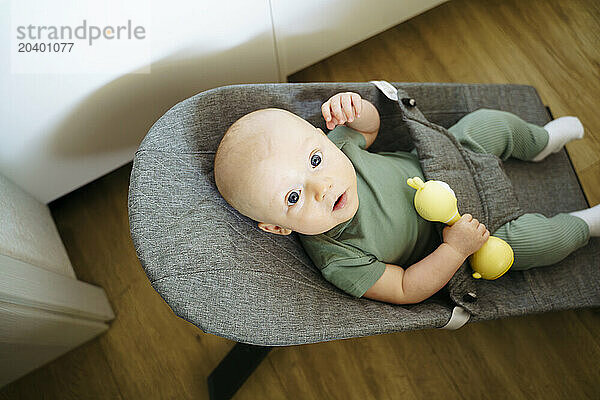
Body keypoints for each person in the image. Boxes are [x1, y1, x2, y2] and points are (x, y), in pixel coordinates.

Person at [213, 91, 598, 304]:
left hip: (447, 159)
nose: (322, 186)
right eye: (294, 196)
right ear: (278, 228)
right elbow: (405, 288)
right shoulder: (338, 259)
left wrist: (356, 108)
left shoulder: (340, 149)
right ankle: (587, 225)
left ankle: (541, 141)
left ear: (321, 140)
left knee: (488, 123)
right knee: (535, 243)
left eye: (315, 159)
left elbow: (371, 129)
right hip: (467, 232)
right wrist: (456, 249)